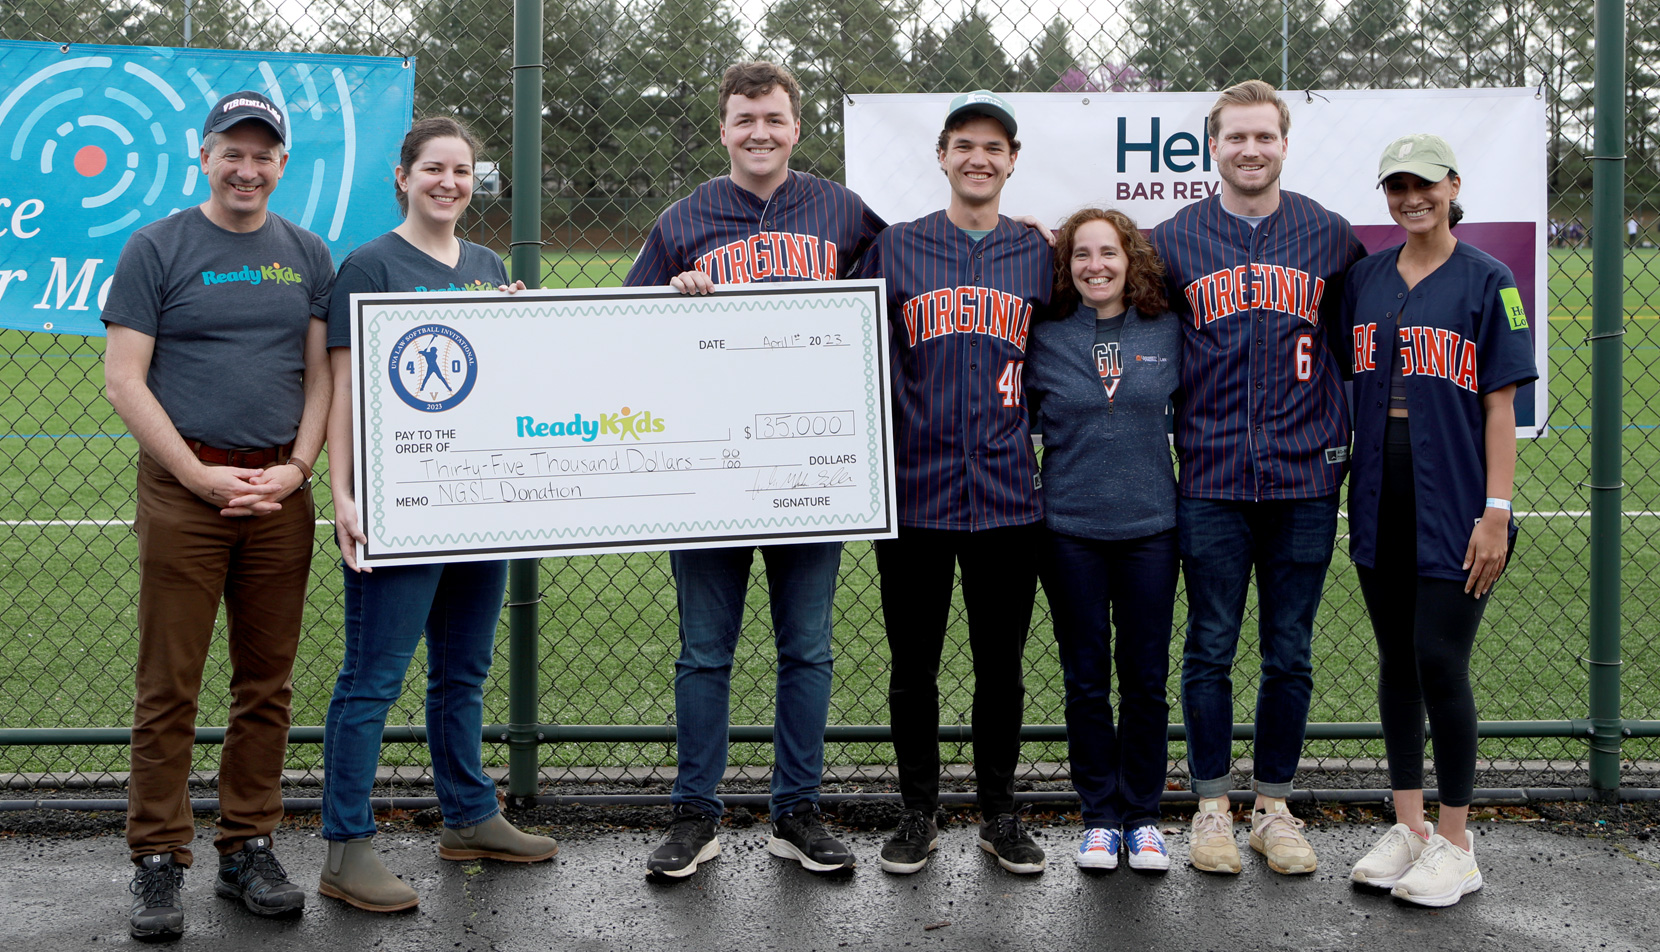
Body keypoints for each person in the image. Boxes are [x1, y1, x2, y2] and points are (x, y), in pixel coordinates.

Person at [622, 61, 885, 880]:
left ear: (796, 127)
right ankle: (695, 814)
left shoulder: (842, 211)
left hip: (809, 462)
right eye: (744, 119)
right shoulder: (685, 216)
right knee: (705, 651)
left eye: (773, 118)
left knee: (806, 648)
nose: (759, 132)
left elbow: (900, 293)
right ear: (725, 128)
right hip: (711, 473)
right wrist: (673, 297)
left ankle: (795, 810)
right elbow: (623, 330)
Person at [102, 90, 334, 939]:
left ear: (281, 164)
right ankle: (158, 858)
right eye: (231, 152)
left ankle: (248, 847)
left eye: (262, 154)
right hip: (184, 490)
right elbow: (125, 379)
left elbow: (321, 377)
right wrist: (197, 475)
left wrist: (297, 468)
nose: (247, 168)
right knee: (169, 684)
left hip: (277, 492)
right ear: (203, 156)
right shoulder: (156, 246)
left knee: (265, 684)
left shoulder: (307, 254)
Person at [318, 116, 553, 913]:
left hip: (478, 509)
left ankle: (470, 817)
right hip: (401, 509)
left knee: (463, 672)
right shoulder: (370, 266)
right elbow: (346, 392)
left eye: (462, 171)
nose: (449, 183)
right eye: (433, 169)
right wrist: (343, 493)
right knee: (372, 678)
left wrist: (518, 327)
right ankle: (347, 847)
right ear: (403, 176)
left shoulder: (488, 266)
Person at [1150, 79, 1366, 876]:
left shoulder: (1328, 236)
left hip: (1305, 478)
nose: (1250, 150)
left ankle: (1273, 806)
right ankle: (1210, 808)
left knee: (1290, 650)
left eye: (1263, 137)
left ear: (1283, 143)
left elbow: (1357, 347)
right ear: (1213, 146)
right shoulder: (1175, 239)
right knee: (1208, 645)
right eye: (1235, 137)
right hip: (1208, 475)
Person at [862, 91, 1054, 876]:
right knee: (914, 666)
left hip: (1009, 493)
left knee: (1000, 668)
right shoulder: (897, 247)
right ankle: (917, 811)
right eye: (964, 144)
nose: (980, 158)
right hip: (916, 491)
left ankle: (1000, 813)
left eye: (995, 147)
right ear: (941, 155)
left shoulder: (1039, 255)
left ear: (1013, 162)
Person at [1344, 134, 1536, 907]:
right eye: (1396, 186)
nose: (1410, 197)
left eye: (1423, 183)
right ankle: (1411, 827)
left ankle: (1457, 844)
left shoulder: (1490, 279)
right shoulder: (1363, 278)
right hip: (1381, 494)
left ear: (1453, 185)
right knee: (1397, 662)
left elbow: (1500, 409)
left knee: (1438, 662)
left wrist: (1497, 512)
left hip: (1457, 502)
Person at [1024, 208, 1181, 872]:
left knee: (1145, 678)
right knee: (1085, 678)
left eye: (1108, 253)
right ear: (1067, 265)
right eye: (1081, 254)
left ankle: (1143, 816)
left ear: (1131, 258)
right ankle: (1099, 816)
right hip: (1069, 532)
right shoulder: (1045, 335)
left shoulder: (1169, 327)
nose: (1095, 265)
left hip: (1150, 527)